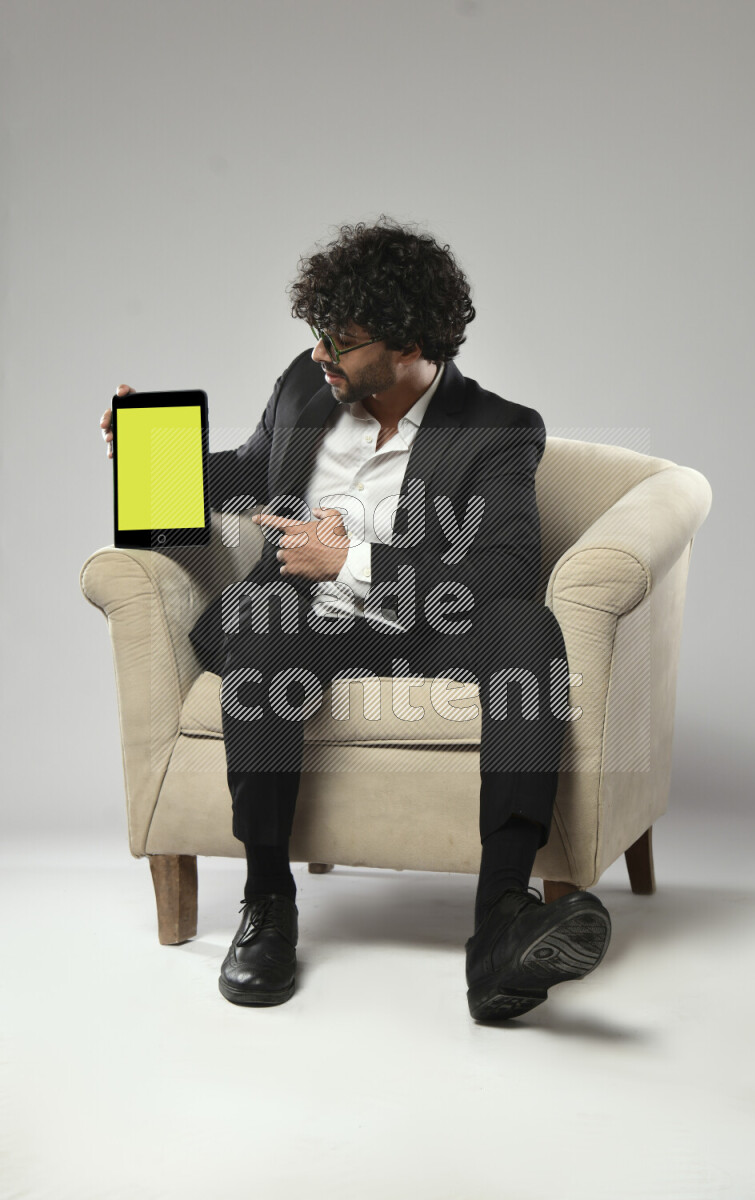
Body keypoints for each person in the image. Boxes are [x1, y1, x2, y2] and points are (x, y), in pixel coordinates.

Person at [100, 217, 611, 1022]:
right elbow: (245, 475)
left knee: (529, 631)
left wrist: (353, 562)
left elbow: (508, 572)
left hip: (422, 623)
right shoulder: (306, 389)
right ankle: (268, 902)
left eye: (341, 339)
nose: (319, 354)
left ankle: (503, 924)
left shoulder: (499, 430)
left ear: (408, 344)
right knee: (261, 618)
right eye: (317, 332)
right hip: (301, 619)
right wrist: (148, 457)